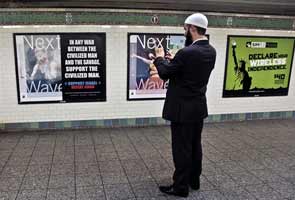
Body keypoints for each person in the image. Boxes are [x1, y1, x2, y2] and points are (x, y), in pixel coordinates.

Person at [151, 13, 216, 198]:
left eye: (185, 28)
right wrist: (174, 61)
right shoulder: (211, 51)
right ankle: (193, 180)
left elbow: (163, 73)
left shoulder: (186, 52)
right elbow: (188, 72)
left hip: (181, 111)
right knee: (196, 145)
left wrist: (159, 57)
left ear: (192, 29)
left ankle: (180, 187)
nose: (184, 31)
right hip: (198, 109)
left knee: (181, 149)